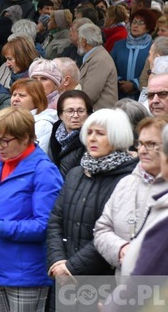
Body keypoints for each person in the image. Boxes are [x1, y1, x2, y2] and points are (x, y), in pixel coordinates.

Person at [0, 107, 63, 312]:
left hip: (26, 273)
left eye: (4, 141)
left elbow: (45, 226)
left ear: (25, 138)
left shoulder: (44, 171)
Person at [47, 109, 136, 310]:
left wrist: (72, 268)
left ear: (117, 137)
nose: (92, 138)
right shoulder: (76, 173)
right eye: (90, 132)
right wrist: (58, 261)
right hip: (64, 277)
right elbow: (55, 220)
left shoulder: (128, 179)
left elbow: (112, 233)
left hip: (102, 280)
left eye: (101, 133)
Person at [94, 116, 168, 277]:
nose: (142, 150)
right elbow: (101, 229)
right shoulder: (125, 184)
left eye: (152, 144)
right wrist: (120, 249)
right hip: (125, 290)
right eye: (140, 143)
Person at [111, 9, 155, 100]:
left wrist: (134, 84)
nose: (136, 25)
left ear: (148, 27)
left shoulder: (153, 47)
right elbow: (110, 67)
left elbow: (154, 71)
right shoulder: (119, 45)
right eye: (134, 22)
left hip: (143, 97)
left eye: (141, 23)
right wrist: (120, 82)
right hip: (119, 95)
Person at [48, 90, 93, 178]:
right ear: (60, 115)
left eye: (81, 111)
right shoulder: (55, 133)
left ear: (88, 114)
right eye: (70, 111)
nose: (75, 115)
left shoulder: (92, 138)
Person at [9, 78, 57, 153]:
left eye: (22, 95)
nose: (15, 99)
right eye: (14, 95)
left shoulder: (42, 125)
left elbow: (33, 156)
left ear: (36, 99)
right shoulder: (8, 120)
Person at [78, 23, 119, 110]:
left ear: (84, 41)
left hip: (100, 115)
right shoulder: (96, 56)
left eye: (79, 39)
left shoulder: (99, 59)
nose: (78, 42)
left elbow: (89, 95)